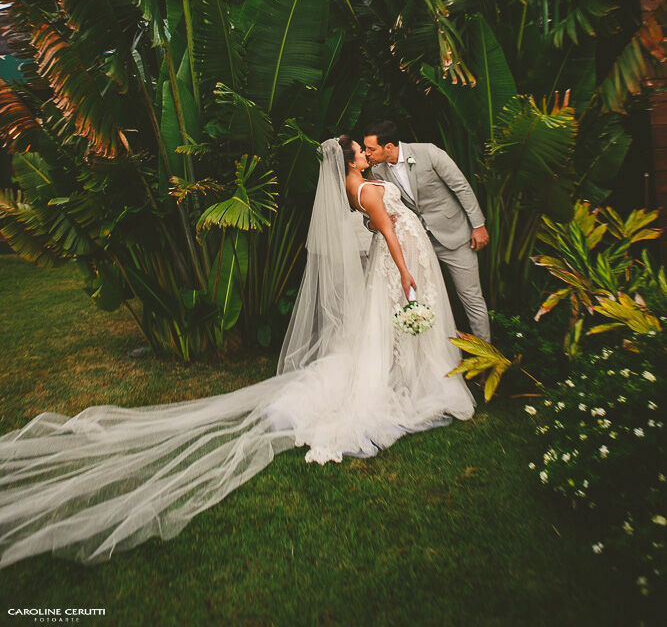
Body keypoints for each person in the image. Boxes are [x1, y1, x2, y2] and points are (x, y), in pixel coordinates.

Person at [0, 138, 473, 569]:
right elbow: (385, 229)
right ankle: (399, 378)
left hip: (394, 258)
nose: (367, 154)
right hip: (398, 261)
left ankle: (396, 370)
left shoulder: (354, 187)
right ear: (350, 161)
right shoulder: (365, 188)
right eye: (361, 151)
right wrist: (405, 270)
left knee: (382, 328)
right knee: (391, 323)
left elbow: (374, 221)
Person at [363, 121, 491, 343]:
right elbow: (372, 211)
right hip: (417, 244)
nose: (367, 154)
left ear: (389, 147)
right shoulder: (377, 171)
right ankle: (436, 351)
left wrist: (478, 225)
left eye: (371, 149)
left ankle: (486, 354)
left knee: (471, 297)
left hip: (454, 235)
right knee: (424, 297)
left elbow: (461, 186)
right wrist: (372, 225)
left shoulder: (428, 153)